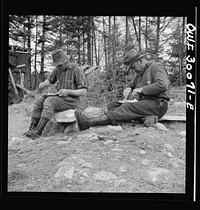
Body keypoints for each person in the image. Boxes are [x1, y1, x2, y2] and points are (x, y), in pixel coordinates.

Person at [74, 48, 170, 131]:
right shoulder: (139, 74)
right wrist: (129, 88)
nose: (134, 70)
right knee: (113, 105)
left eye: (133, 67)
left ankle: (89, 123)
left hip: (158, 104)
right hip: (145, 103)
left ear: (140, 61)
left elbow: (162, 85)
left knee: (127, 107)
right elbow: (131, 84)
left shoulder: (156, 67)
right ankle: (143, 117)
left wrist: (141, 89)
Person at [24, 49, 88, 139]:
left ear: (66, 62)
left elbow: (83, 91)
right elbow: (50, 81)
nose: (58, 67)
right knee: (39, 101)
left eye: (59, 65)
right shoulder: (58, 70)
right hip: (60, 98)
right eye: (57, 65)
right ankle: (32, 129)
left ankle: (38, 131)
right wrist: (43, 84)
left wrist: (68, 91)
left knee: (49, 101)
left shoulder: (77, 70)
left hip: (71, 101)